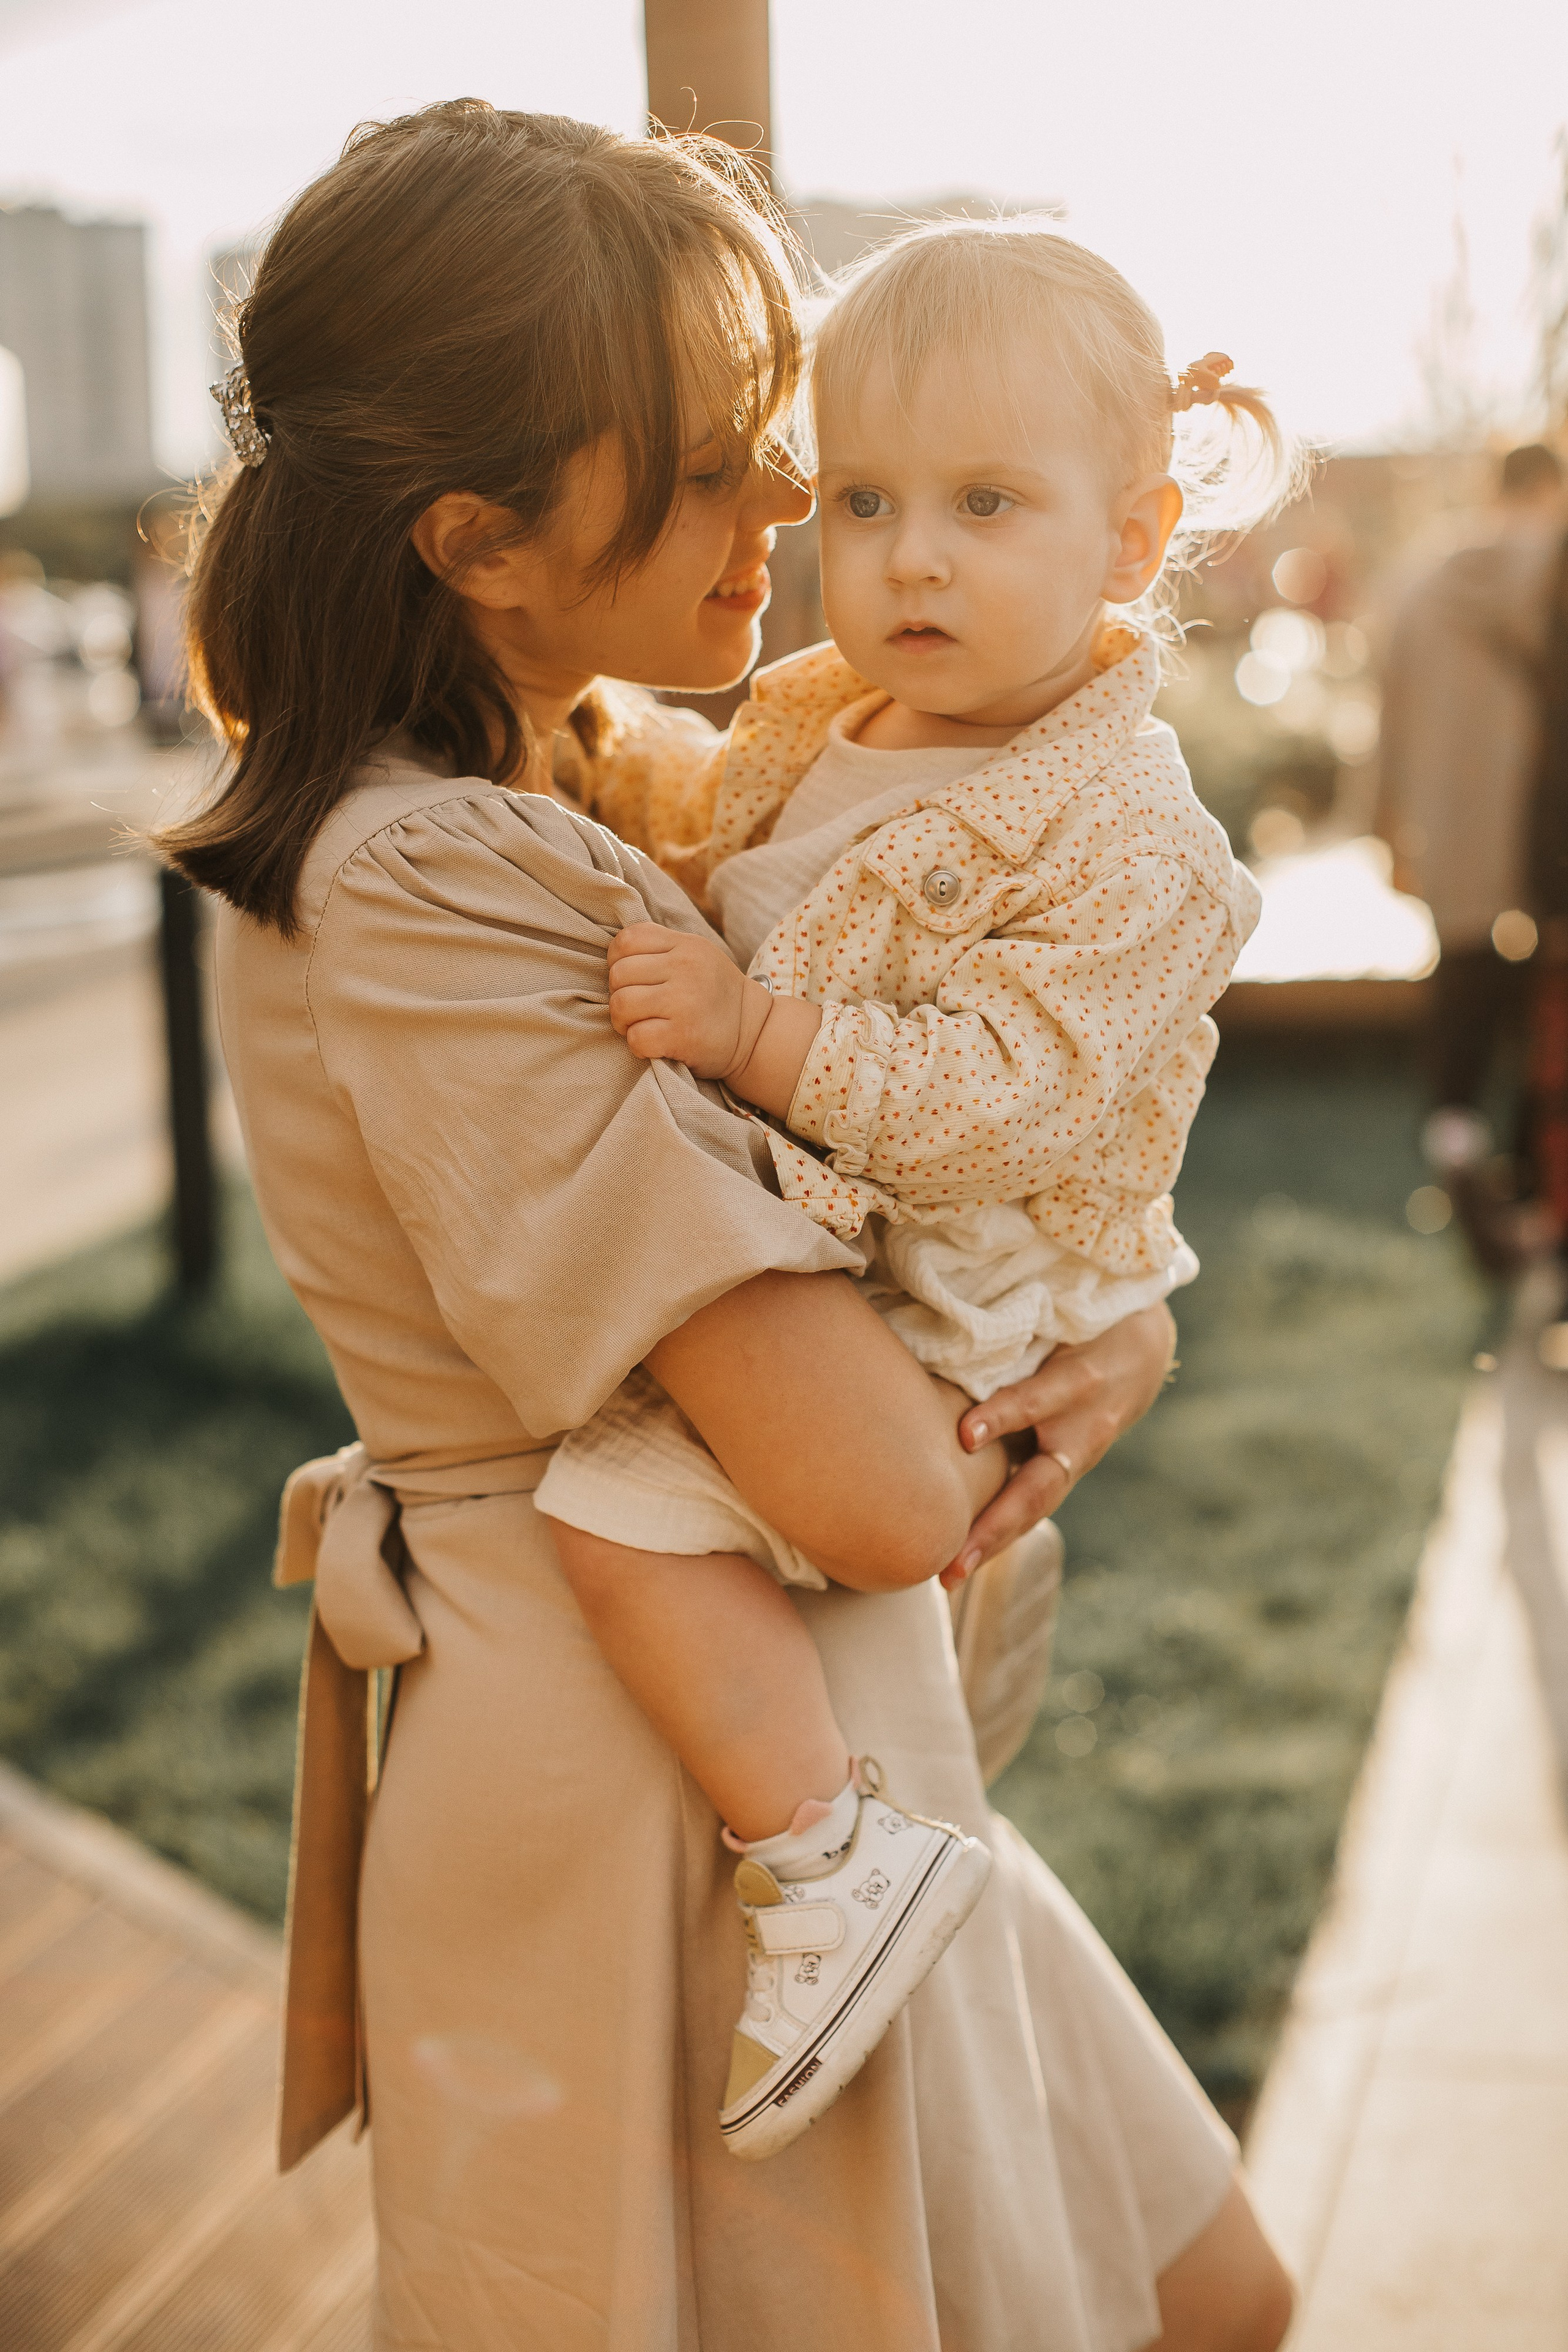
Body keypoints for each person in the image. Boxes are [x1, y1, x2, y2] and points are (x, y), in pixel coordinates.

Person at [163, 99, 1291, 2350]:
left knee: (1207, 2291)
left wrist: (1114, 1317)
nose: (794, 503)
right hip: (665, 1800)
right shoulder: (431, 879)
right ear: (479, 533)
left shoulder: (575, 781)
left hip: (797, 1736)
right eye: (718, 454)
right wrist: (1033, 1365)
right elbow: (874, 1491)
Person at [536, 222, 1276, 2158]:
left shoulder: (1129, 836)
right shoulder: (828, 714)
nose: (910, 556)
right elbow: (753, 855)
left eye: (984, 503)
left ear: (1131, 541)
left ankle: (828, 1854)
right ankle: (884, 1828)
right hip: (842, 1258)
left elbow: (1002, 1111)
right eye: (860, 499)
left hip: (955, 1296)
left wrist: (746, 1037)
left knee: (615, 1510)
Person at [1378, 442, 1566, 1268]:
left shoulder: (1422, 585)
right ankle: (1533, 1183)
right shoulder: (1555, 579)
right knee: (1547, 1003)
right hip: (1544, 833)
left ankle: (1457, 1146)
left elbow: (1386, 708)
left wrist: (1385, 826)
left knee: (1460, 991)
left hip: (1453, 831)